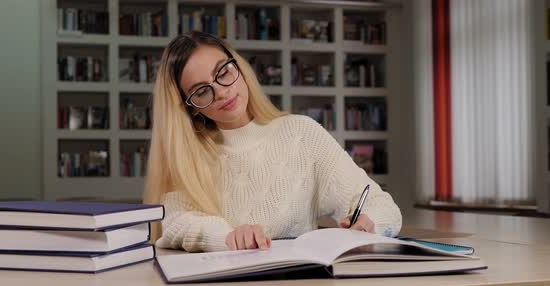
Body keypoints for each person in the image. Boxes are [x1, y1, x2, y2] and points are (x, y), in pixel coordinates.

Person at [144, 31, 402, 252]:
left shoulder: (302, 134)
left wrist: (369, 224)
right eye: (201, 91)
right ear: (191, 108)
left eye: (223, 71)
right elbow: (175, 222)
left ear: (239, 67)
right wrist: (227, 237)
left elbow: (384, 207)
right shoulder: (189, 154)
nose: (222, 92)